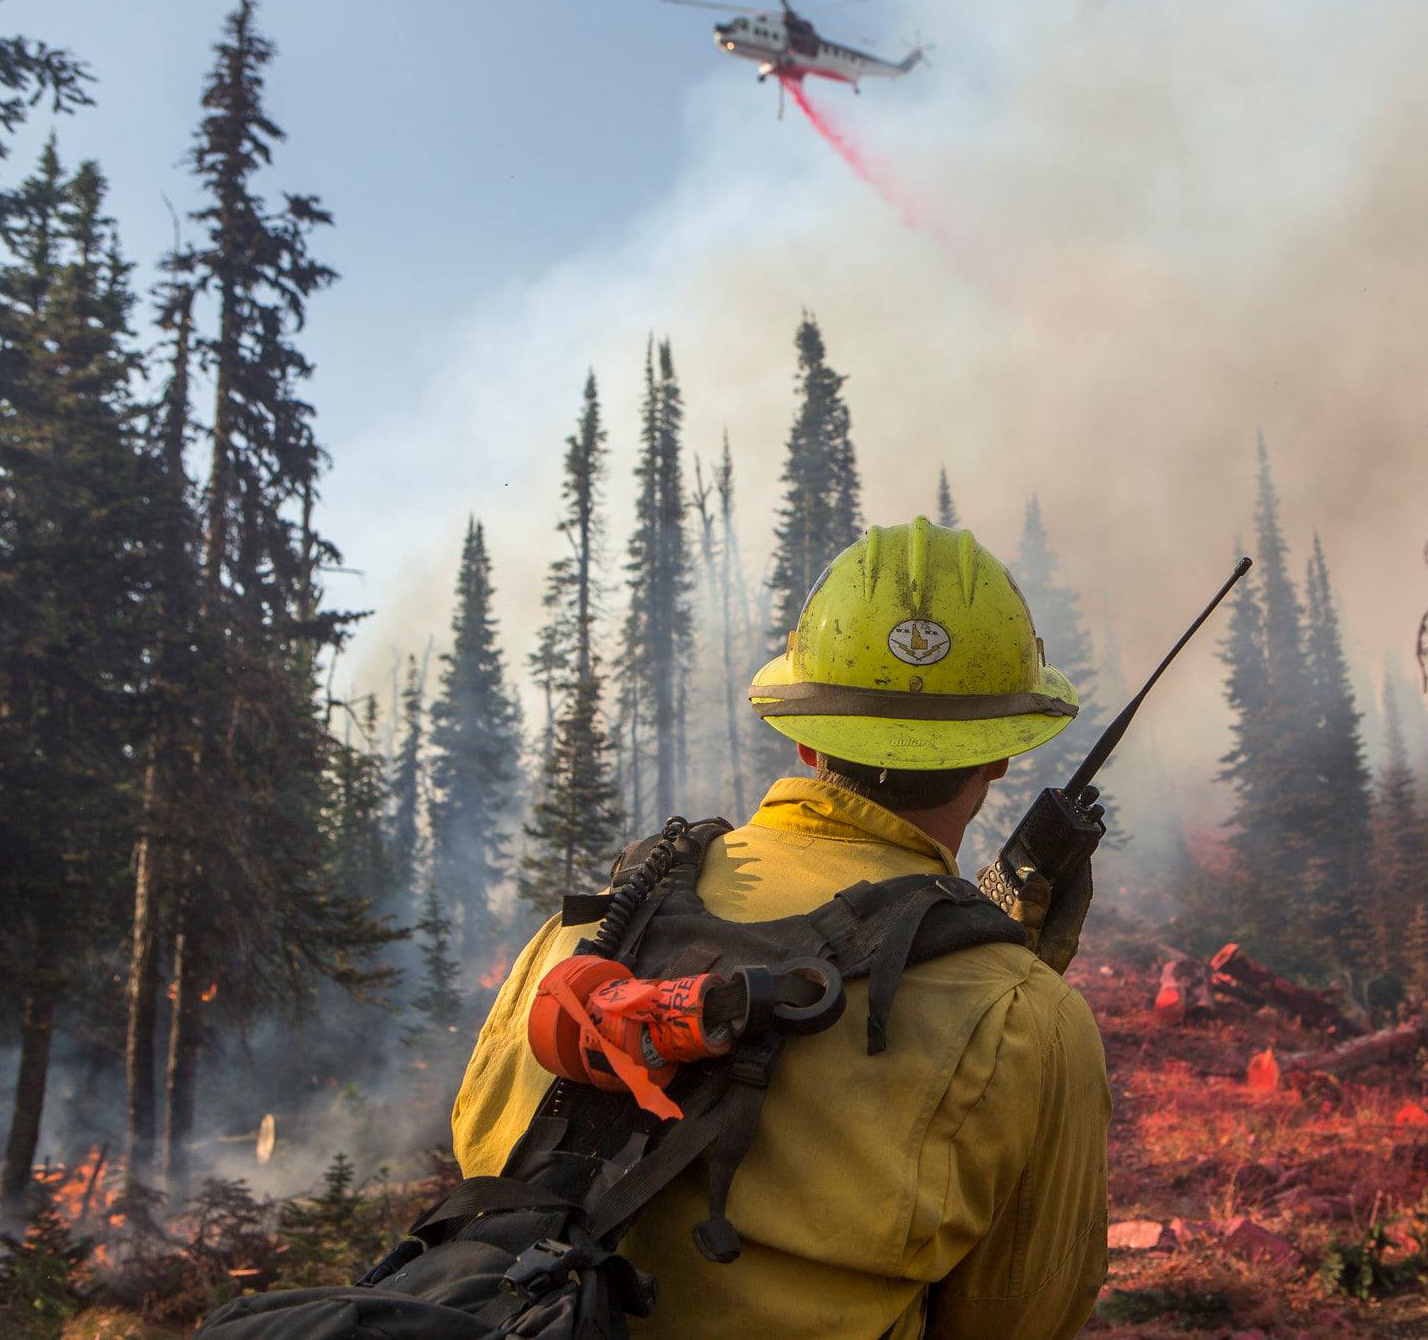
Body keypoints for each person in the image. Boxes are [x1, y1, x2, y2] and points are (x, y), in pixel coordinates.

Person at [452, 517, 1111, 1339]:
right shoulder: (1028, 1017)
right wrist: (1015, 1000)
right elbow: (1020, 1316)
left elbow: (483, 1159)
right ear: (1003, 752)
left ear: (804, 736)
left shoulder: (580, 937)